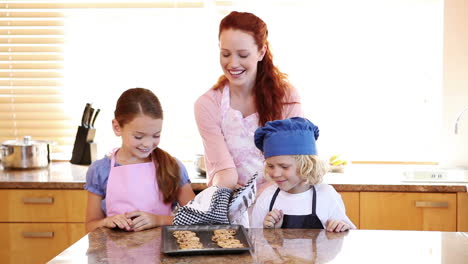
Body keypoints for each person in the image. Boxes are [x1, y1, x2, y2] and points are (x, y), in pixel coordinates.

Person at [194, 11, 303, 199]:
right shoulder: (207, 104)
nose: (233, 63)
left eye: (243, 55)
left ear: (261, 52)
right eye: (225, 54)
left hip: (281, 204)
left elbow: (294, 166)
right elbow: (224, 173)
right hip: (230, 205)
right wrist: (233, 194)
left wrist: (253, 196)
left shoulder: (286, 97)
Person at [85, 88, 195, 232]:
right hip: (115, 253)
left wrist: (159, 219)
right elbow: (90, 225)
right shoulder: (100, 170)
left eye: (156, 135)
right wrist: (106, 221)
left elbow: (196, 218)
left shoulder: (173, 167)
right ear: (117, 127)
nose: (148, 144)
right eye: (138, 137)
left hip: (162, 252)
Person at [251, 117, 356, 231]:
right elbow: (255, 241)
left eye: (284, 166)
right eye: (270, 166)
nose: (275, 173)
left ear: (306, 166)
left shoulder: (327, 196)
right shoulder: (267, 198)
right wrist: (271, 231)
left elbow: (347, 235)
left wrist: (340, 228)